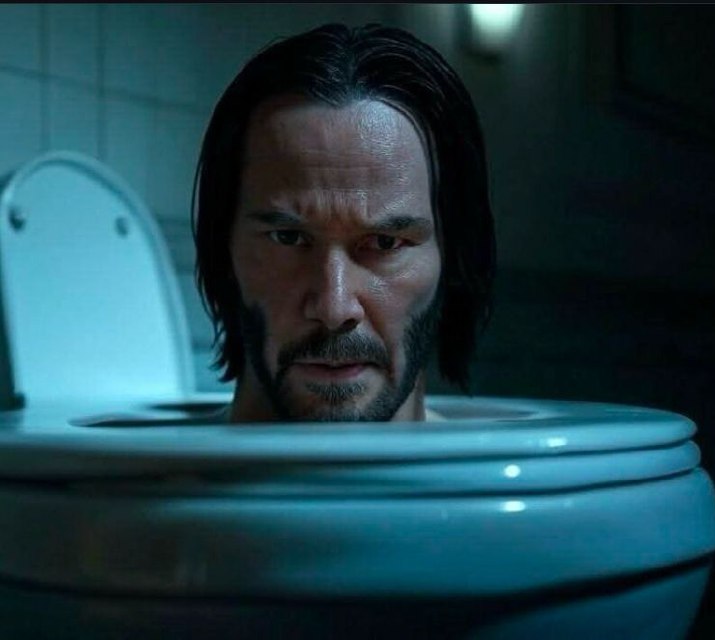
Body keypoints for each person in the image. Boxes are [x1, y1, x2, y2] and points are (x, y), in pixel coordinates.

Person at [192, 23, 495, 423]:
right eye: (288, 237)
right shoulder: (140, 462)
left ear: (454, 257)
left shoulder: (511, 462)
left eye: (385, 242)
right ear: (222, 249)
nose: (334, 308)